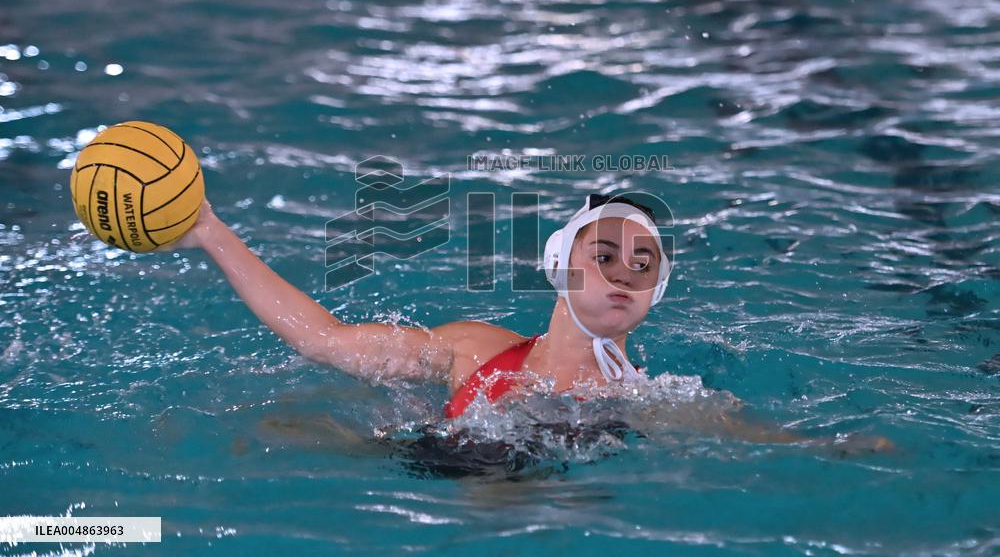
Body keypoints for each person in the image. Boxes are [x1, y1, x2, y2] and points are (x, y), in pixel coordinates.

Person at [162, 192, 894, 455]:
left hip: (534, 512)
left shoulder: (647, 398)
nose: (625, 271)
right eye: (604, 255)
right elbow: (323, 341)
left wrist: (829, 447)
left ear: (656, 291)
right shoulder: (470, 349)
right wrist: (210, 232)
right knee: (276, 431)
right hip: (415, 468)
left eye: (643, 264)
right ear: (558, 264)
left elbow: (747, 434)